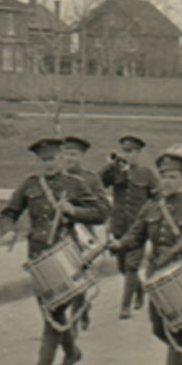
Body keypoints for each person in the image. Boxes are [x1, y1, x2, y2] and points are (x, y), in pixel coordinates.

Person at [0, 138, 108, 365]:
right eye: (43, 160)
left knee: (53, 313)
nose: (47, 164)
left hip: (66, 255)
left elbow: (102, 212)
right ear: (37, 162)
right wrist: (8, 230)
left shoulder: (75, 184)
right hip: (38, 257)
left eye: (52, 159)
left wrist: (72, 210)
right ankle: (72, 352)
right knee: (52, 311)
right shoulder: (29, 186)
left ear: (60, 159)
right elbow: (9, 212)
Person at [111, 153, 182, 365]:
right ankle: (178, 354)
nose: (167, 181)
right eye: (164, 176)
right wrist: (119, 245)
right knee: (157, 326)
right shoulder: (152, 206)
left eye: (173, 177)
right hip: (156, 273)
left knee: (175, 326)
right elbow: (136, 235)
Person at [100, 134, 160, 319]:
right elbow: (100, 180)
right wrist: (113, 165)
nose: (127, 155)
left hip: (138, 228)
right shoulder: (116, 171)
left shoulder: (146, 174)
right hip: (119, 225)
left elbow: (157, 197)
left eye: (131, 151)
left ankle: (125, 306)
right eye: (124, 151)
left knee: (131, 266)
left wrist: (151, 220)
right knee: (121, 267)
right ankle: (139, 291)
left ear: (139, 153)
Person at [61, 136, 112, 331]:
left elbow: (104, 208)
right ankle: (79, 309)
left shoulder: (91, 178)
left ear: (82, 156)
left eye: (73, 154)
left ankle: (77, 314)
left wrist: (76, 213)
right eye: (66, 153)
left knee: (79, 275)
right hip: (60, 234)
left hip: (82, 234)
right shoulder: (56, 177)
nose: (69, 158)